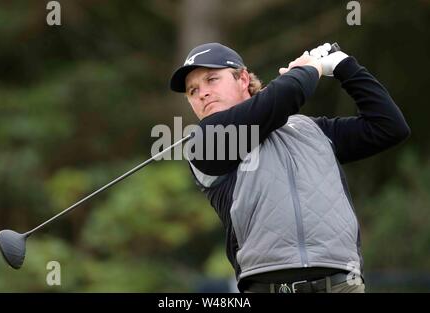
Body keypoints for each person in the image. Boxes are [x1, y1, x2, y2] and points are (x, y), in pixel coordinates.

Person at [169, 42, 410, 293]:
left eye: (211, 79)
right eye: (193, 90)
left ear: (242, 78)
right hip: (267, 286)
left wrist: (344, 66)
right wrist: (309, 69)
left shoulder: (313, 130)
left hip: (341, 283)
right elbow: (284, 96)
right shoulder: (205, 142)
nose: (202, 93)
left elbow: (389, 127)